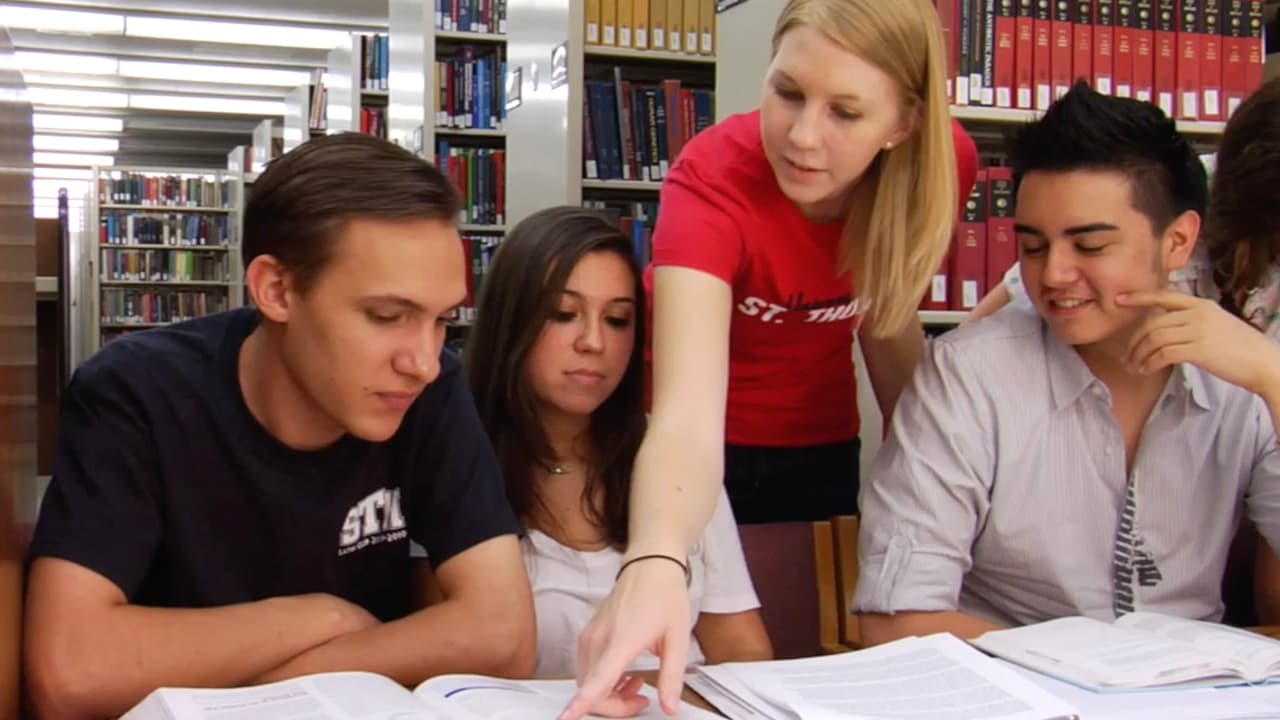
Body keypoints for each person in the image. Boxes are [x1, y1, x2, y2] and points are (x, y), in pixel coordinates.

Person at [23, 133, 535, 718]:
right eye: (388, 316)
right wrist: (324, 617)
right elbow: (69, 670)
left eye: (441, 320)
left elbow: (505, 633)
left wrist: (275, 680)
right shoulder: (135, 393)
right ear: (277, 290)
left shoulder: (432, 392)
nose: (421, 361)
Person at [563, 0, 977, 715]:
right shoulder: (715, 177)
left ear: (903, 125)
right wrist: (659, 554)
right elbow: (688, 413)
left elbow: (887, 320)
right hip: (685, 448)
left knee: (797, 658)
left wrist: (936, 482)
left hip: (816, 444)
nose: (803, 137)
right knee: (692, 648)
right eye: (787, 93)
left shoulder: (943, 164)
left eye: (846, 113)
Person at [853, 80, 1280, 646]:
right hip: (1012, 695)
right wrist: (1102, 673)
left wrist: (1275, 381)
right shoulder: (968, 376)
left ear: (1178, 241)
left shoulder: (1242, 380)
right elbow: (894, 618)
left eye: (1090, 246)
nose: (1052, 275)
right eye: (1032, 247)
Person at [464, 207, 771, 712]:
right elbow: (459, 670)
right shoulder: (461, 461)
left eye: (618, 319)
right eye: (563, 314)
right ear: (510, 319)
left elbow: (744, 650)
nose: (594, 342)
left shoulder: (673, 453)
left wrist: (655, 697)